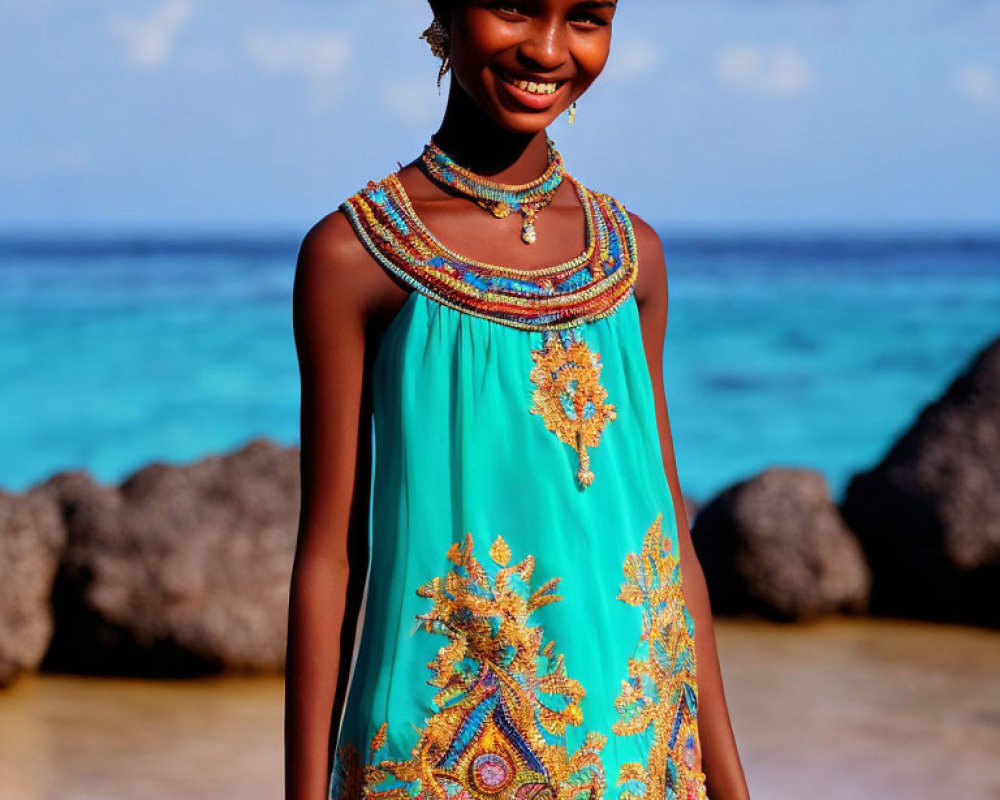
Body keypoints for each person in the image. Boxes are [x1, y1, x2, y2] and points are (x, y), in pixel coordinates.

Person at [285, 2, 751, 799]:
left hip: (642, 759)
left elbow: (668, 538)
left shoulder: (633, 257)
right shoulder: (354, 256)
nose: (547, 49)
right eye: (514, 7)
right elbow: (331, 557)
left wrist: (729, 780)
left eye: (588, 18)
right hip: (442, 758)